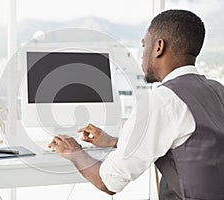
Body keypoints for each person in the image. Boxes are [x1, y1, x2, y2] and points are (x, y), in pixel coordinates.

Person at [49, 9, 224, 200]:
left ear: (159, 47)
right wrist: (115, 142)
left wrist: (74, 152)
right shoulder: (217, 90)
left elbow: (107, 182)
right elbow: (195, 144)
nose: (142, 56)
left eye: (144, 45)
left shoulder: (163, 100)